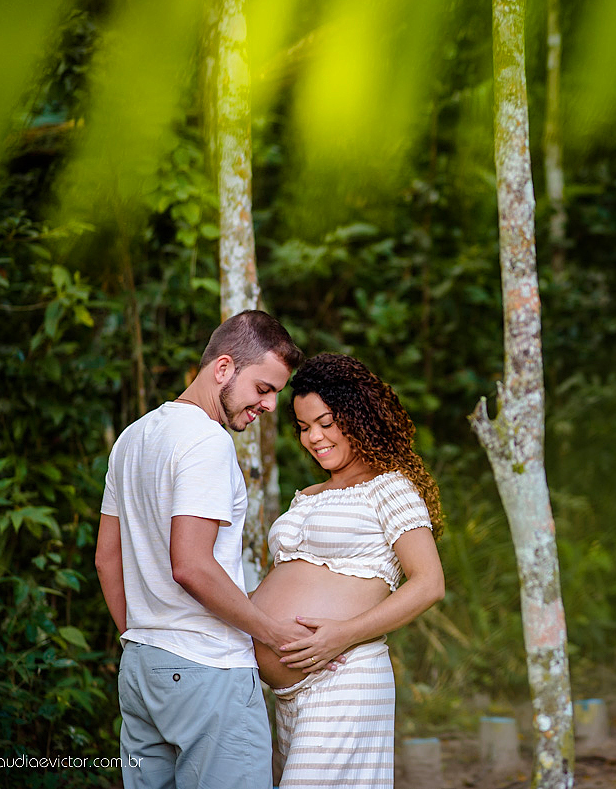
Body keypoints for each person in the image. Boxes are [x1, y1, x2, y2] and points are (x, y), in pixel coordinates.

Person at [95, 310, 311, 789]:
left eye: (276, 392)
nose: (271, 405)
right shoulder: (206, 442)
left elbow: (105, 559)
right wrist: (271, 634)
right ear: (223, 369)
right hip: (208, 670)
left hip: (142, 667)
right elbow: (191, 565)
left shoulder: (133, 437)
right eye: (263, 388)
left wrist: (143, 636)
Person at [249, 353, 445, 788]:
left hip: (345, 679)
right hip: (286, 696)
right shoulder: (308, 496)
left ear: (357, 416)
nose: (313, 437)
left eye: (325, 422)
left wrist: (344, 633)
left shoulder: (388, 487)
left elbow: (429, 583)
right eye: (303, 428)